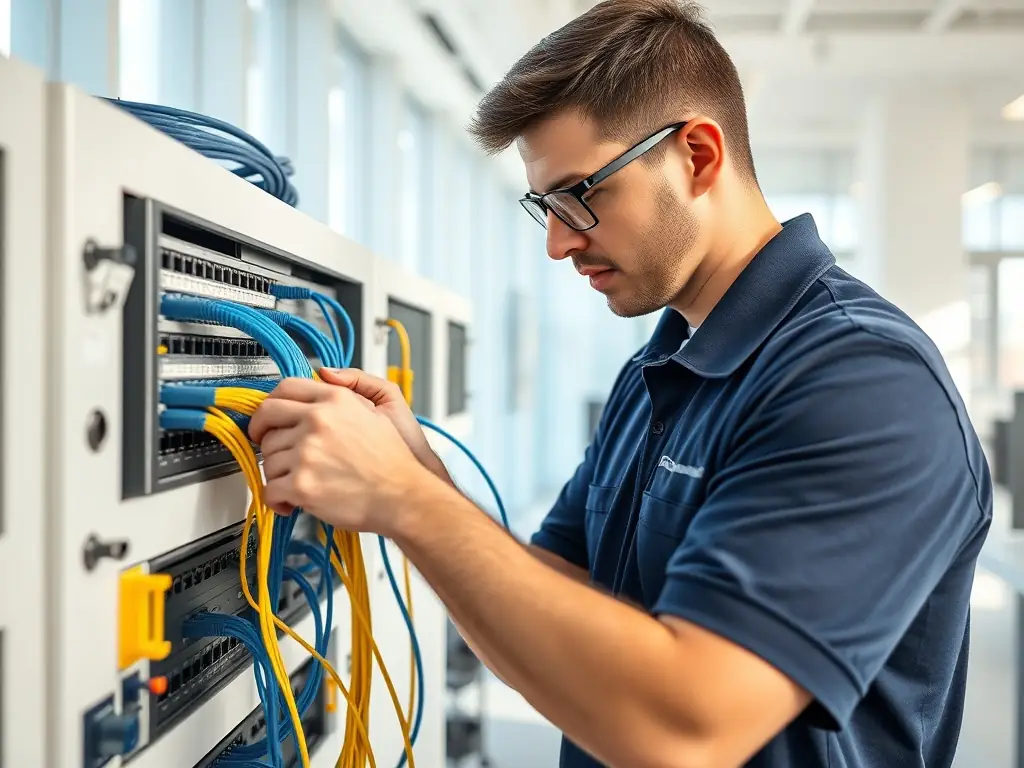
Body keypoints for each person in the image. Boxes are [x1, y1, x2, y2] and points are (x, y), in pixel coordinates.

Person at [248, 0, 993, 766]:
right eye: (545, 204)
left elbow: (689, 730)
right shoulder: (656, 371)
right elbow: (553, 605)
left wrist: (405, 500)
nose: (559, 242)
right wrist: (417, 478)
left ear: (698, 156)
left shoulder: (862, 382)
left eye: (580, 194)